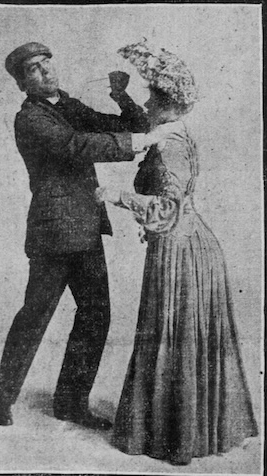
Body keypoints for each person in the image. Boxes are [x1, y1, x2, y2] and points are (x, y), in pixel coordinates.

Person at [96, 40, 258, 464]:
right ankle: (183, 430)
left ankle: (175, 437)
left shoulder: (168, 143)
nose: (147, 102)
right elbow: (142, 126)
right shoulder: (173, 131)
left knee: (172, 335)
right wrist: (122, 94)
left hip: (180, 250)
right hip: (189, 244)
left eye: (152, 97)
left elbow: (167, 208)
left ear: (168, 104)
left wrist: (117, 196)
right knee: (180, 338)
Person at [0, 41, 153, 429]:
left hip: (86, 231)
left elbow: (128, 126)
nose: (45, 72)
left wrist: (121, 96)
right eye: (34, 69)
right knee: (35, 316)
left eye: (47, 62)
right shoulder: (29, 118)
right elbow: (74, 146)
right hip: (53, 237)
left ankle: (70, 403)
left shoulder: (69, 106)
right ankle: (2, 397)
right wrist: (133, 146)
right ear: (22, 83)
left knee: (96, 315)